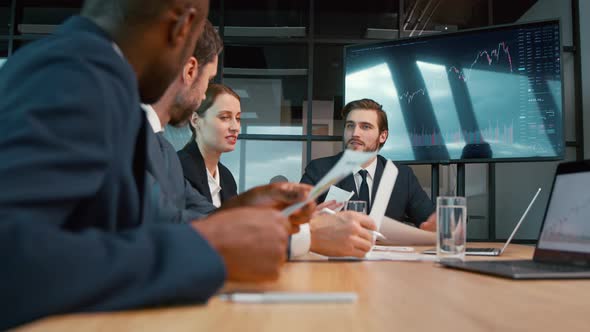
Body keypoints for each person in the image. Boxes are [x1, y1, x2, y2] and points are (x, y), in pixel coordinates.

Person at [0, 0, 313, 329]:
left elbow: (120, 226)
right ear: (182, 26)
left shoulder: (95, 75)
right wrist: (207, 247)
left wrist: (238, 213)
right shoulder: (76, 74)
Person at [296, 98, 436, 255]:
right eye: (350, 126)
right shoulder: (320, 170)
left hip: (387, 269)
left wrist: (436, 226)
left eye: (365, 127)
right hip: (334, 263)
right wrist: (309, 219)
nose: (355, 133)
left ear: (382, 136)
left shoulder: (402, 176)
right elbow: (292, 221)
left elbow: (430, 221)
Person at [178, 83, 240, 206]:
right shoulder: (178, 168)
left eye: (238, 118)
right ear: (195, 120)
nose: (235, 127)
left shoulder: (227, 178)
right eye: (224, 117)